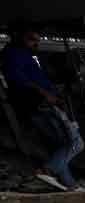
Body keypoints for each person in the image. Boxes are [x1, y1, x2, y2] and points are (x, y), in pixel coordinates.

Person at [0, 23, 78, 189]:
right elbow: (20, 80)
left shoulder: (23, 54)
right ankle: (46, 172)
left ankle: (69, 185)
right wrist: (46, 94)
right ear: (18, 37)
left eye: (37, 40)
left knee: (59, 146)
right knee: (75, 143)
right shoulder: (13, 54)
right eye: (31, 40)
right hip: (38, 104)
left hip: (40, 102)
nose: (36, 43)